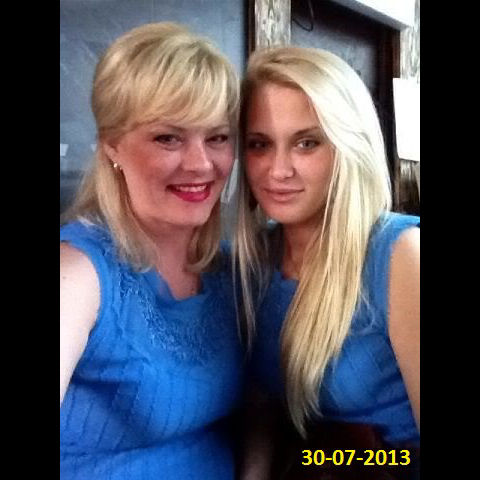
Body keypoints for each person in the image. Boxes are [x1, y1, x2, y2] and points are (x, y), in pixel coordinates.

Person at [60, 22, 245, 479]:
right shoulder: (79, 274)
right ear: (112, 145)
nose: (201, 164)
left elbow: (258, 414)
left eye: (218, 137)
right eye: (168, 137)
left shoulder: (229, 270)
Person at [234, 46, 420, 479]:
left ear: (347, 145)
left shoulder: (400, 255)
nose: (278, 170)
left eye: (307, 143)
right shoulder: (252, 262)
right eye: (260, 144)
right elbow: (262, 412)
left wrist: (330, 460)